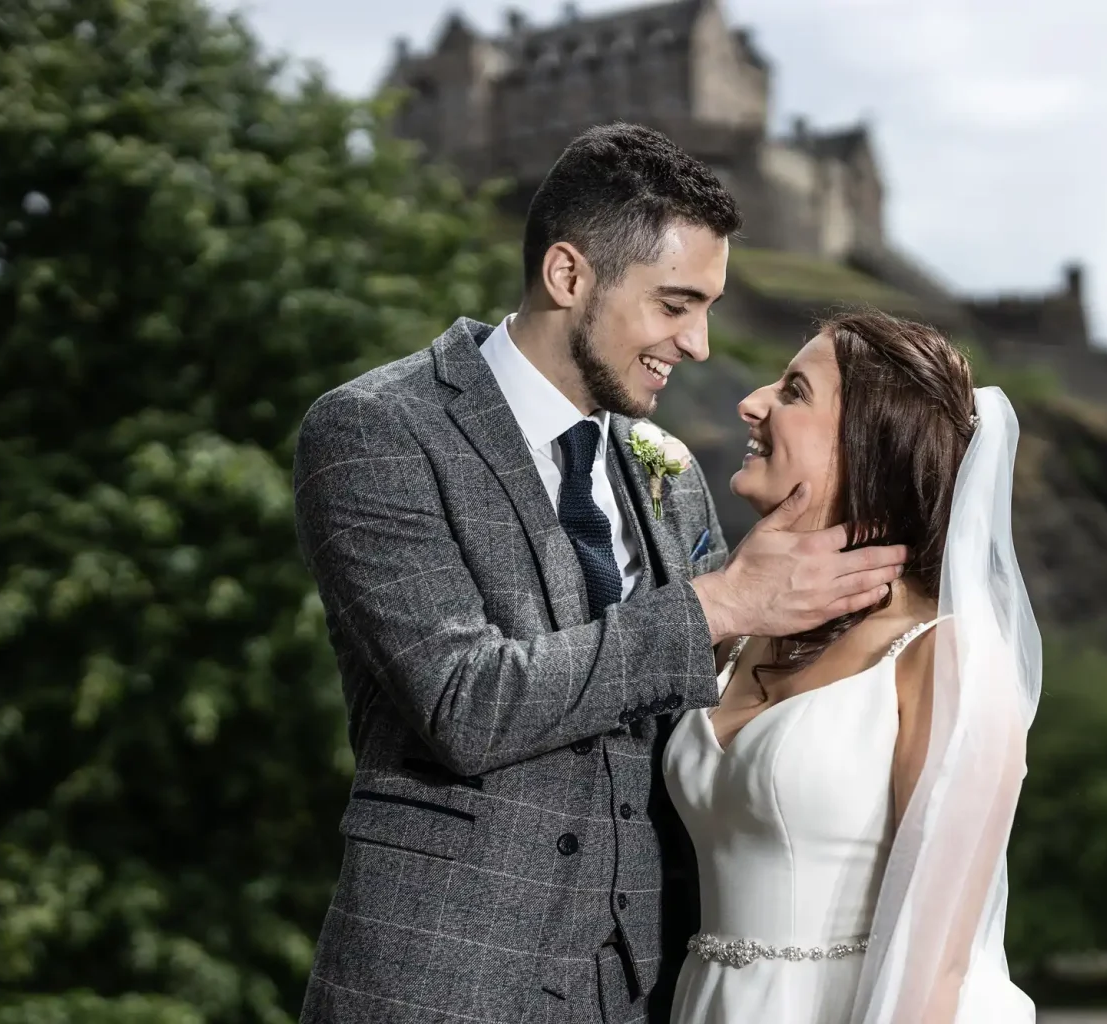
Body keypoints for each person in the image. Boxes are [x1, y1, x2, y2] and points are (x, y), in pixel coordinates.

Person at [291, 123, 908, 1024]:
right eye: (674, 305)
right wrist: (720, 602)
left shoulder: (670, 474)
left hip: (657, 992)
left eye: (708, 307)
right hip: (443, 985)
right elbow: (465, 702)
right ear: (568, 276)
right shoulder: (377, 430)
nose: (697, 344)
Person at [664, 310, 1042, 1024]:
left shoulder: (945, 658)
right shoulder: (737, 632)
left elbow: (936, 967)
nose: (752, 402)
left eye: (795, 390)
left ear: (869, 443)